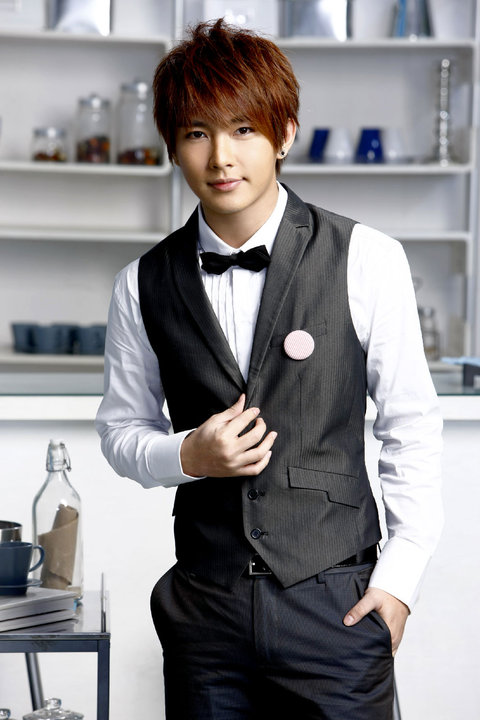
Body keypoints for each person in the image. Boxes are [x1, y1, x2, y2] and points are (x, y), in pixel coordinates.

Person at [95, 18, 443, 720]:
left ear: (284, 134)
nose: (221, 157)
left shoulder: (367, 256)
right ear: (173, 146)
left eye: (244, 129)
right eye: (197, 133)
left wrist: (399, 584)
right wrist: (187, 455)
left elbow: (411, 427)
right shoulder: (141, 282)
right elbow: (120, 431)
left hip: (335, 603)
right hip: (205, 610)